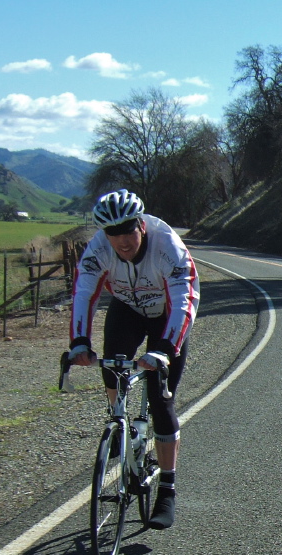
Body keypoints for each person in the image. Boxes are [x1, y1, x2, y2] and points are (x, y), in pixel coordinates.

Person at [67, 189, 199, 529]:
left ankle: (167, 489)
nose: (122, 240)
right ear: (104, 234)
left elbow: (185, 299)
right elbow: (84, 292)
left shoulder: (167, 247)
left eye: (128, 229)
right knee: (112, 368)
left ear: (141, 224)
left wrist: (166, 349)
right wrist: (79, 342)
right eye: (113, 233)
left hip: (166, 316)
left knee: (160, 399)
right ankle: (120, 426)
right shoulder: (98, 251)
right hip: (127, 310)